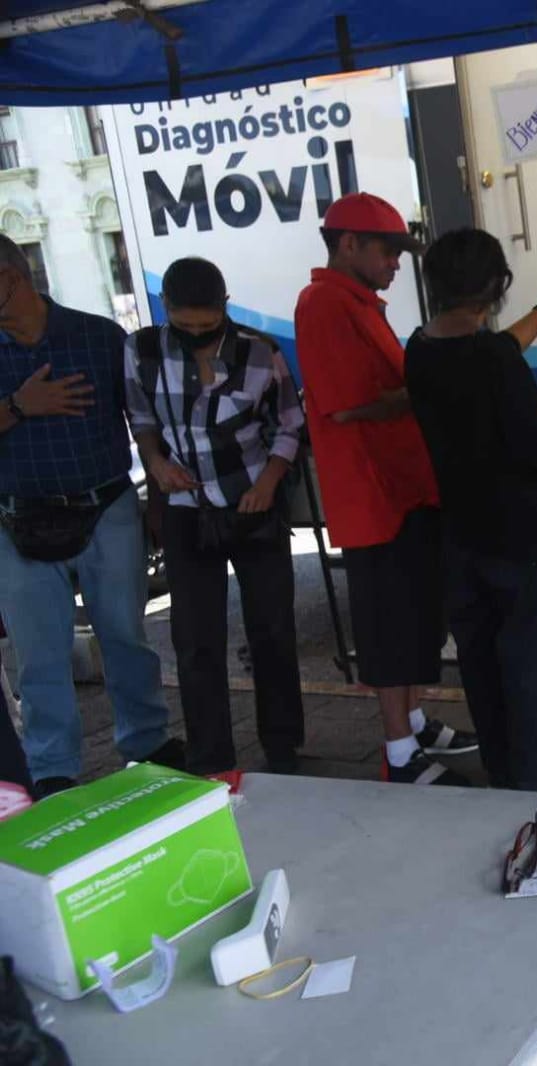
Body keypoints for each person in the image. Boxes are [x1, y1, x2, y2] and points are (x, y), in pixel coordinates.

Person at [294, 192, 476, 786]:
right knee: (392, 628)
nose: (397, 263)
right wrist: (428, 385)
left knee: (417, 621)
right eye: (388, 251)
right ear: (348, 244)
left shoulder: (358, 303)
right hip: (375, 502)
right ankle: (399, 751)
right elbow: (347, 408)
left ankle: (416, 720)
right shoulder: (324, 304)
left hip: (402, 491)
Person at [0, 236, 180, 798]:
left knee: (126, 635)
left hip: (106, 508)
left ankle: (147, 742)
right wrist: (18, 407)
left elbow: (143, 420)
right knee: (39, 650)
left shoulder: (98, 336)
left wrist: (155, 491)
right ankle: (53, 768)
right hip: (17, 520)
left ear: (13, 276)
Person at [405, 230, 537, 792]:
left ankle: (503, 775)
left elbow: (497, 348)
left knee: (484, 671)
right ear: (495, 287)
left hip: (463, 536)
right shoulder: (495, 360)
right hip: (525, 540)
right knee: (536, 673)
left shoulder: (420, 349)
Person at [125, 258, 307, 777]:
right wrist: (157, 464)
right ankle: (211, 759)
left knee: (272, 629)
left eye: (209, 327)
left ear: (225, 310)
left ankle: (283, 745)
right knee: (196, 639)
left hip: (253, 504)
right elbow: (140, 417)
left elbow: (289, 423)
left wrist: (270, 480)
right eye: (186, 328)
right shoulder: (140, 351)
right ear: (167, 313)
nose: (199, 338)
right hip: (186, 510)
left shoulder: (259, 351)